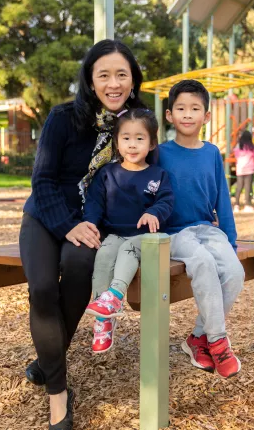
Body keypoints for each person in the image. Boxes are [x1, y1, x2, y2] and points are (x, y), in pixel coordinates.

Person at [19, 39, 146, 430]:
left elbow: (151, 181)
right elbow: (41, 182)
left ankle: (49, 367)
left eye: (121, 74)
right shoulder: (61, 118)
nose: (113, 83)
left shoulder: (137, 125)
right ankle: (60, 390)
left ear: (133, 80)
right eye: (103, 75)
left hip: (92, 226)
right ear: (90, 82)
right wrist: (66, 225)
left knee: (77, 272)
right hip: (45, 217)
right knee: (41, 288)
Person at [159, 80, 245, 379]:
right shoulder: (159, 153)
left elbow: (222, 199)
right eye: (180, 108)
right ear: (169, 115)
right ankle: (218, 341)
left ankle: (197, 338)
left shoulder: (212, 154)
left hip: (205, 229)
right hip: (172, 232)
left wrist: (230, 243)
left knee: (235, 272)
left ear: (206, 116)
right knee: (203, 263)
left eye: (195, 108)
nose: (187, 114)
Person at [82, 109, 173, 353]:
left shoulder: (158, 175)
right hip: (114, 233)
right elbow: (94, 203)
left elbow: (166, 201)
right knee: (103, 257)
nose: (132, 145)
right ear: (117, 142)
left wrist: (154, 212)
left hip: (146, 238)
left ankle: (115, 294)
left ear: (152, 143)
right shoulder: (107, 174)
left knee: (128, 249)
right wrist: (91, 223)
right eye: (126, 138)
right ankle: (103, 319)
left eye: (140, 138)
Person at [233, 129, 254, 213]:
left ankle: (236, 205)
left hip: (240, 169)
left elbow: (235, 154)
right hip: (249, 169)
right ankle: (247, 205)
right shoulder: (252, 147)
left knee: (239, 187)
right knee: (247, 187)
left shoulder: (239, 146)